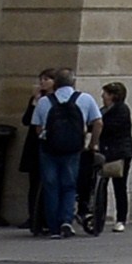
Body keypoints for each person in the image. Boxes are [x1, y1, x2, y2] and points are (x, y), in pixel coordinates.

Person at [33, 71, 91, 238]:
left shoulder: (44, 101)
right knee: (69, 185)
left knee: (51, 186)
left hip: (49, 149)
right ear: (73, 82)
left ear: (56, 83)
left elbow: (37, 127)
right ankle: (66, 220)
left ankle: (53, 227)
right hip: (73, 149)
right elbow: (98, 121)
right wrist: (92, 143)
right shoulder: (85, 99)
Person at [91, 83, 132, 231]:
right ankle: (99, 217)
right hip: (105, 151)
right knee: (100, 185)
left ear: (113, 96)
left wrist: (97, 124)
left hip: (119, 153)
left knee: (119, 186)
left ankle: (121, 218)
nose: (102, 96)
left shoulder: (121, 109)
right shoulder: (103, 110)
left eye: (105, 93)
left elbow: (109, 126)